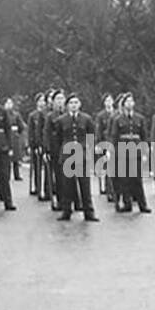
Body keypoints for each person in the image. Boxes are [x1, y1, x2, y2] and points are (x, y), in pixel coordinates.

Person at [56, 93, 98, 222]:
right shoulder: (61, 120)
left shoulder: (86, 119)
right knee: (67, 186)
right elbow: (58, 138)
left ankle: (89, 212)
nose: (74, 105)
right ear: (67, 106)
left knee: (85, 185)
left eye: (76, 103)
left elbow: (91, 136)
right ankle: (66, 211)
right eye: (71, 103)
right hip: (68, 156)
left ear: (79, 105)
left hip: (82, 155)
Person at [111, 92, 151, 213]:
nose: (129, 103)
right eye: (127, 102)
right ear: (123, 105)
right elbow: (114, 137)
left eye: (131, 101)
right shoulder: (118, 120)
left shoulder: (140, 118)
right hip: (123, 151)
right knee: (124, 180)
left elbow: (144, 136)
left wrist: (145, 151)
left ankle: (142, 204)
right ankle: (127, 203)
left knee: (137, 179)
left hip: (136, 151)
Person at [28, 92, 50, 201]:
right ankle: (38, 186)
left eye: (43, 100)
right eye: (40, 100)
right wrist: (33, 145)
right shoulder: (34, 115)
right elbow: (33, 131)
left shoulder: (47, 113)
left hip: (47, 143)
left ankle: (50, 187)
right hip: (38, 143)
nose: (42, 102)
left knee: (48, 168)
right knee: (38, 167)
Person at [4, 96, 26, 183]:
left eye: (10, 103)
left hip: (15, 136)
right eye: (7, 103)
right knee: (7, 158)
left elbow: (21, 126)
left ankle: (17, 174)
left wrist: (18, 133)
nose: (9, 105)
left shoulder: (16, 115)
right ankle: (7, 175)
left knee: (16, 158)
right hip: (6, 136)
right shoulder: (3, 114)